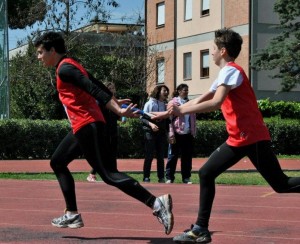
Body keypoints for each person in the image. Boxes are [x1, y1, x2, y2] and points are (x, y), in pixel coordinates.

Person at [34, 31, 174, 235]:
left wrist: (117, 110)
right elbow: (98, 83)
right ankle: (72, 213)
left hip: (88, 125)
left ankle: (156, 203)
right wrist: (115, 101)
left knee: (109, 174)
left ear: (52, 50)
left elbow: (92, 88)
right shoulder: (70, 63)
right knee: (58, 161)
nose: (38, 57)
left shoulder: (65, 69)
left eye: (40, 52)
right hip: (83, 126)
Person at [167, 28, 300, 243]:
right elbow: (199, 100)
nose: (210, 53)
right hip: (241, 138)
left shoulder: (232, 71)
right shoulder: (225, 74)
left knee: (280, 184)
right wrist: (168, 112)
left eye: (212, 49)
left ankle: (201, 228)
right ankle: (201, 228)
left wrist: (181, 111)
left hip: (250, 138)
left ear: (222, 50)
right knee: (207, 173)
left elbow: (216, 102)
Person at [86, 82, 127, 182]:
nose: (113, 91)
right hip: (103, 131)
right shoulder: (101, 101)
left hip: (113, 131)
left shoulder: (115, 103)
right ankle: (92, 173)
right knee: (102, 154)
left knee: (113, 153)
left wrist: (123, 115)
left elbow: (119, 116)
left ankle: (114, 172)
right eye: (110, 89)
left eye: (113, 89)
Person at [165, 84, 196, 184]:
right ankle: (169, 177)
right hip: (176, 133)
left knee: (187, 157)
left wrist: (193, 131)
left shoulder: (190, 102)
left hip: (188, 133)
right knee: (173, 156)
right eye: (184, 90)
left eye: (187, 90)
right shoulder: (172, 102)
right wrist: (171, 133)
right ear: (179, 91)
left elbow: (193, 118)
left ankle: (186, 177)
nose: (186, 92)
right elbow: (169, 119)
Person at [141, 85, 170, 183]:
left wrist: (168, 133)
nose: (166, 93)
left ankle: (161, 177)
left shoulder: (165, 105)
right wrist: (151, 125)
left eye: (167, 91)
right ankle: (146, 177)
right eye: (164, 91)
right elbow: (143, 118)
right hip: (150, 132)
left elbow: (167, 121)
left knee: (160, 157)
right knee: (149, 155)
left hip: (161, 133)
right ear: (158, 92)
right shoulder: (149, 103)